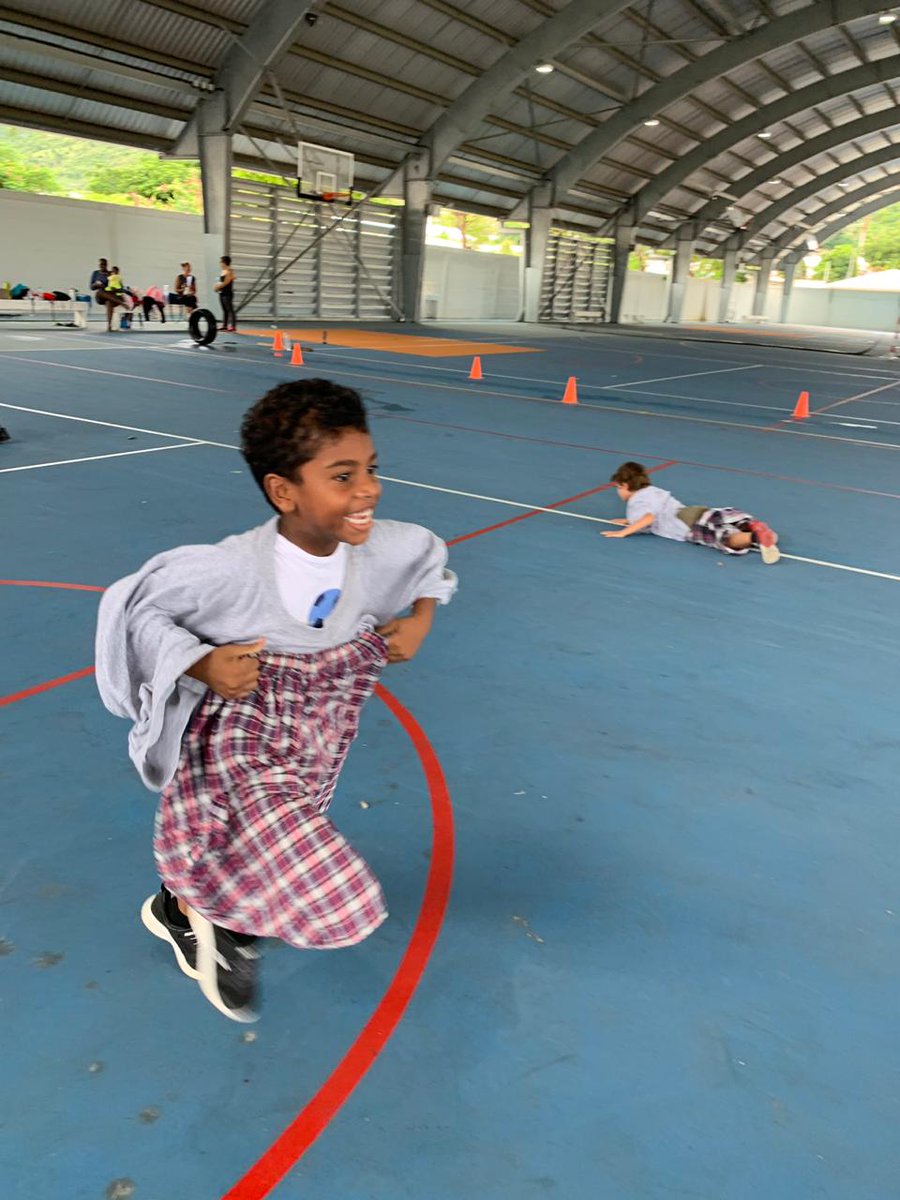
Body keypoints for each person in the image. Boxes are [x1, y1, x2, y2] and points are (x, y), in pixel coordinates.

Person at [95, 379, 456, 1023]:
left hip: (322, 727)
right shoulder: (229, 571)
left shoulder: (378, 549)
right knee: (341, 898)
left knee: (251, 837)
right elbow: (136, 610)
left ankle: (179, 909)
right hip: (243, 728)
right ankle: (222, 929)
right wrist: (203, 662)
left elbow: (428, 557)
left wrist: (422, 617)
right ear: (283, 491)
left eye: (372, 469)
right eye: (343, 476)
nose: (368, 489)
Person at [603, 461, 780, 564]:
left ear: (625, 485)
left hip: (687, 525)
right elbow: (650, 512)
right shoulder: (651, 490)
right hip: (695, 511)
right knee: (727, 519)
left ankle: (753, 538)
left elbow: (649, 518)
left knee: (725, 539)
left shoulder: (636, 501)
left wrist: (623, 532)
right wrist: (628, 521)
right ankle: (755, 528)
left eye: (618, 488)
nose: (619, 493)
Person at [89, 257, 123, 331]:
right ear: (99, 265)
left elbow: (119, 286)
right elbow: (91, 287)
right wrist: (96, 284)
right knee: (100, 291)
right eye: (101, 265)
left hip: (109, 295)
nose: (102, 266)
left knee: (109, 302)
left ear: (106, 265)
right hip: (100, 296)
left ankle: (109, 325)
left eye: (104, 264)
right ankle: (121, 302)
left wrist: (114, 287)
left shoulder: (110, 274)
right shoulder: (95, 273)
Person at [213, 255, 236, 331]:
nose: (220, 263)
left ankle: (233, 326)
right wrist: (216, 287)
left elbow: (226, 282)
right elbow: (220, 281)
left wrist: (217, 287)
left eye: (221, 262)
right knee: (224, 309)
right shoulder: (222, 271)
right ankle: (225, 325)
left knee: (230, 309)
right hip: (222, 293)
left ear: (224, 262)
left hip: (227, 293)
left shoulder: (229, 271)